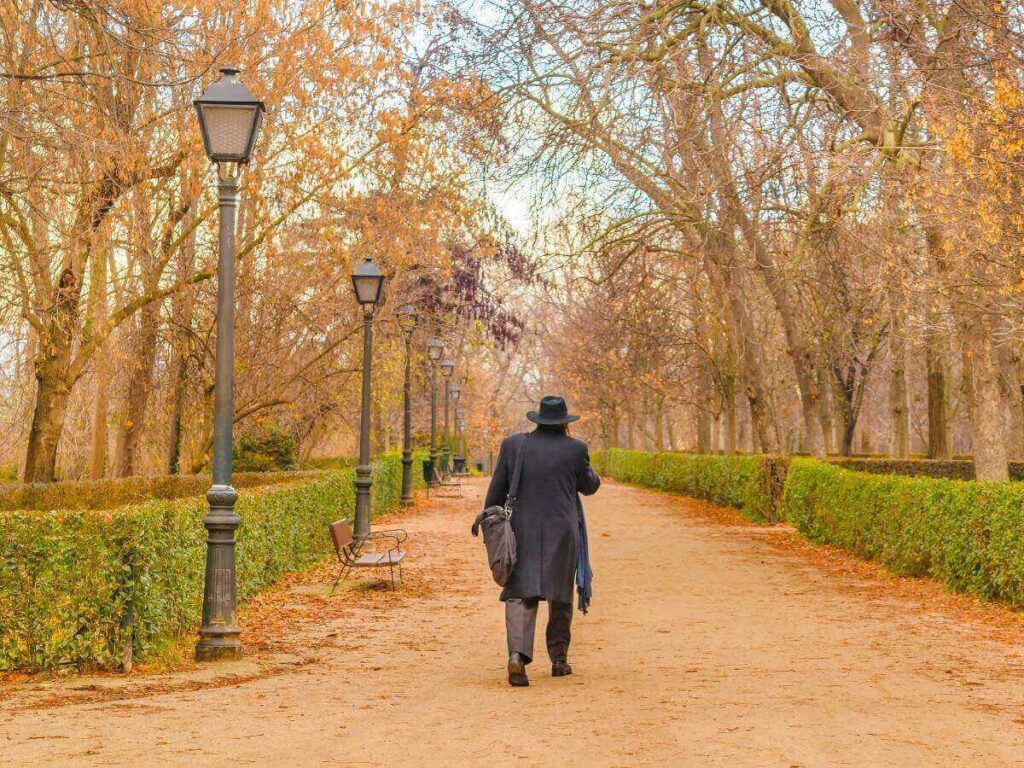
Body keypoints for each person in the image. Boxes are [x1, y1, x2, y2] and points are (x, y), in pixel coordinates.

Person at [483, 395, 601, 687]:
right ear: (564, 423)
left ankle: (517, 656)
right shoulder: (576, 449)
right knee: (560, 595)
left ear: (537, 419)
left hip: (521, 529)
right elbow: (589, 486)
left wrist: (492, 526)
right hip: (562, 531)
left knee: (520, 592)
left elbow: (496, 492)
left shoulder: (514, 446)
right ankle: (559, 660)